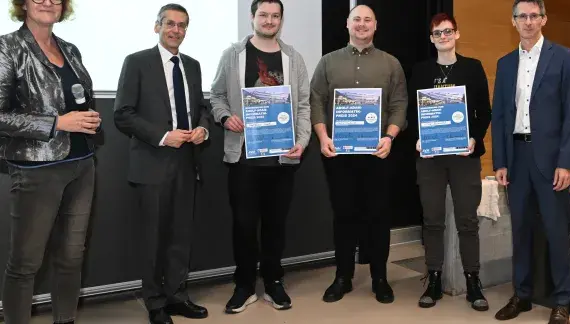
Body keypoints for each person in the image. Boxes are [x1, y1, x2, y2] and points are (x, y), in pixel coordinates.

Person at [0, 0, 103, 323]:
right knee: (25, 264)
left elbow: (79, 98)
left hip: (82, 164)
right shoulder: (8, 48)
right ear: (23, 4)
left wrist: (88, 119)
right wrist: (57, 123)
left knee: (72, 258)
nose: (48, 2)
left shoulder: (70, 49)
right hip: (37, 170)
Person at [210, 0, 311, 314]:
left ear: (281, 20)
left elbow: (304, 105)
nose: (270, 20)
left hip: (282, 158)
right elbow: (216, 96)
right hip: (243, 156)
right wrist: (226, 117)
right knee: (243, 224)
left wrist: (303, 140)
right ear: (252, 17)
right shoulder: (233, 55)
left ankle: (273, 282)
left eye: (275, 15)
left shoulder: (293, 58)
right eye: (264, 15)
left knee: (275, 224)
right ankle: (243, 285)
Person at [113, 3, 210, 324]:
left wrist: (203, 128)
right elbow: (122, 114)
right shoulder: (137, 62)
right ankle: (155, 302)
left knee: (181, 235)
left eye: (182, 25)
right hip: (152, 162)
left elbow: (201, 108)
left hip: (186, 162)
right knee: (154, 237)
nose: (176, 30)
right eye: (170, 24)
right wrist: (162, 136)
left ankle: (177, 296)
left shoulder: (193, 66)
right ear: (157, 27)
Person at [309, 4, 407, 304]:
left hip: (378, 153)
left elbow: (399, 105)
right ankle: (343, 277)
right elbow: (316, 101)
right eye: (357, 20)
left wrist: (390, 137)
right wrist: (323, 137)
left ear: (375, 26)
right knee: (344, 215)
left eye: (367, 20)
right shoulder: (328, 62)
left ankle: (380, 277)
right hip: (339, 154)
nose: (362, 25)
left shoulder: (391, 64)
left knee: (378, 215)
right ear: (347, 24)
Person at [491, 1, 570, 323]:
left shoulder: (565, 58)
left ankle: (562, 300)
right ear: (513, 22)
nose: (528, 22)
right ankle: (522, 295)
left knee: (556, 231)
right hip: (516, 158)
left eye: (533, 16)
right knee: (521, 231)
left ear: (544, 19)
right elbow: (500, 116)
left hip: (552, 160)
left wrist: (567, 162)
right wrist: (500, 161)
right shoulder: (505, 63)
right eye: (521, 16)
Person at [408, 12, 492, 311]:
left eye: (448, 31)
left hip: (463, 157)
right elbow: (412, 114)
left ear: (456, 34)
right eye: (437, 33)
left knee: (467, 221)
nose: (443, 37)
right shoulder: (419, 71)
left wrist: (474, 139)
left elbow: (484, 112)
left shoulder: (472, 68)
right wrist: (418, 138)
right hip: (430, 158)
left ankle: (472, 279)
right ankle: (433, 278)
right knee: (432, 220)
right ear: (431, 39)